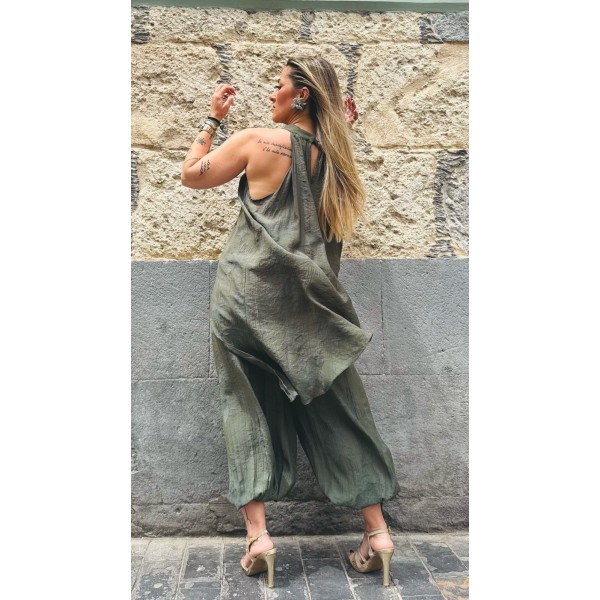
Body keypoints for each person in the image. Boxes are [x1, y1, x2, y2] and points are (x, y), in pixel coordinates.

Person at [181, 57, 401, 588]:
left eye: (278, 85)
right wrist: (340, 129)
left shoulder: (256, 141)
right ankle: (377, 533)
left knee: (246, 406)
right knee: (339, 408)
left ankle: (259, 539)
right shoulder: (336, 160)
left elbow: (191, 175)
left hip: (244, 298)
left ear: (301, 95)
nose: (272, 94)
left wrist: (213, 119)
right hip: (308, 306)